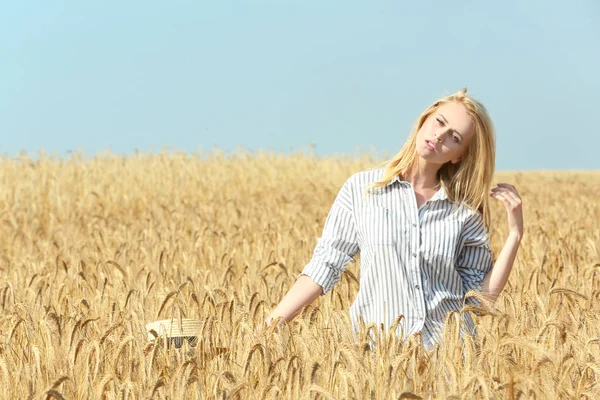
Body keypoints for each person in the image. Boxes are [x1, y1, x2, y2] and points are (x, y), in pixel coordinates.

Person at [264, 88, 524, 351]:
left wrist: (515, 236)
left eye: (454, 137)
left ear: (458, 155)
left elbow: (479, 302)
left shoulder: (464, 214)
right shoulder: (362, 189)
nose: (439, 136)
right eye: (439, 122)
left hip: (448, 360)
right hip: (375, 356)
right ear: (425, 119)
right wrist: (271, 325)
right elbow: (325, 265)